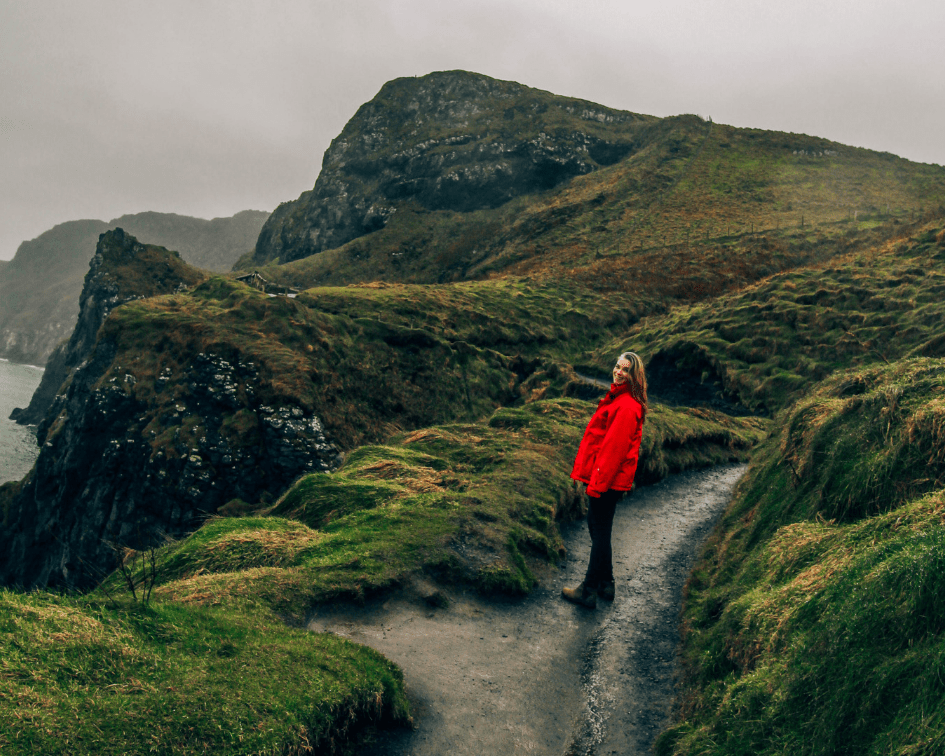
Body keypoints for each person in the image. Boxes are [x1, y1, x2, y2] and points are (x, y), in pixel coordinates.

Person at [562, 352, 647, 608]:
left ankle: (587, 590)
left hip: (607, 480)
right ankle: (606, 582)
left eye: (626, 370)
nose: (619, 372)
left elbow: (613, 452)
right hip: (609, 479)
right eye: (617, 366)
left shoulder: (626, 406)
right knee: (602, 530)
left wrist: (596, 486)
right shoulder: (623, 400)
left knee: (597, 531)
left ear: (634, 376)